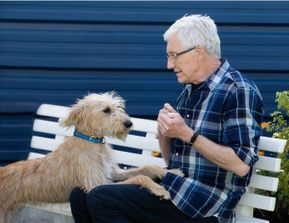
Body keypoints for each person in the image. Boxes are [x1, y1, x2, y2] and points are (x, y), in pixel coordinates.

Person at [69, 14, 263, 223]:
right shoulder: (191, 90)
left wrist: (186, 133)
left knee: (101, 198)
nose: (169, 65)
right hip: (175, 190)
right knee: (80, 194)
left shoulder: (238, 90)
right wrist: (165, 132)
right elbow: (173, 161)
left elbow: (241, 165)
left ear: (199, 52)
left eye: (174, 55)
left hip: (204, 206)